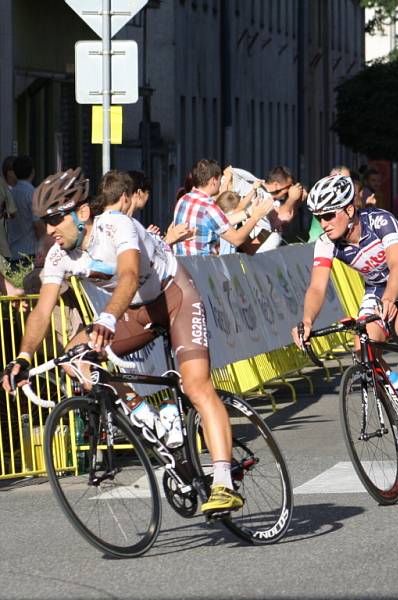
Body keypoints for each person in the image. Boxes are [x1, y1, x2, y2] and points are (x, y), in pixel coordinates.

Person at [1, 168, 246, 514]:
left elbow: (130, 274)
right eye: (45, 221)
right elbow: (42, 310)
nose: (49, 230)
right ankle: (152, 420)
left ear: (82, 212)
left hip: (174, 297)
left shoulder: (116, 226)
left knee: (195, 385)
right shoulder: (58, 254)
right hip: (133, 313)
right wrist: (22, 358)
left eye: (55, 219)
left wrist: (106, 317)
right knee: (76, 356)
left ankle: (223, 482)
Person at [291, 174, 398, 435]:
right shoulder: (327, 243)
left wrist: (390, 299)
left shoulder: (381, 221)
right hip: (377, 286)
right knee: (363, 346)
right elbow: (317, 287)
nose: (323, 224)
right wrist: (306, 321)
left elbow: (396, 265)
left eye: (328, 215)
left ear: (349, 210)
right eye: (319, 217)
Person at [172, 158, 271, 256]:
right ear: (213, 181)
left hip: (182, 264)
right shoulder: (209, 208)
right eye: (220, 180)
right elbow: (237, 240)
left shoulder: (184, 199)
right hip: (202, 268)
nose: (220, 183)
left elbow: (223, 220)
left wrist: (249, 212)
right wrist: (255, 218)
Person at [8, 156, 44, 266]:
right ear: (32, 172)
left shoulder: (10, 193)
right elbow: (37, 224)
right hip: (30, 252)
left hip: (13, 252)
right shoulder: (33, 193)